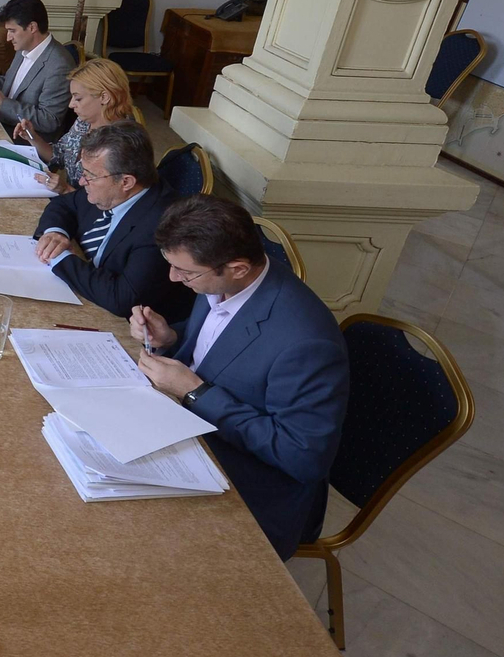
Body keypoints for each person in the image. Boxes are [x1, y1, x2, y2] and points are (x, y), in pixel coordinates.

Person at [131, 194, 348, 559]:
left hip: (253, 483)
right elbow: (225, 348)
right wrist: (172, 337)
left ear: (237, 267)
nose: (173, 278)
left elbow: (302, 456)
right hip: (189, 431)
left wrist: (196, 394)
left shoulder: (307, 344)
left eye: (185, 272)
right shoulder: (224, 280)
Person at [32, 121, 193, 322]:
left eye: (89, 176)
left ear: (126, 182)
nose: (81, 182)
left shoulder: (162, 228)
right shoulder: (110, 189)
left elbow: (121, 299)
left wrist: (59, 257)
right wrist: (56, 233)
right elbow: (64, 204)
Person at [14, 57, 136, 193]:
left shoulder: (123, 142)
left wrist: (66, 189)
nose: (71, 104)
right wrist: (32, 137)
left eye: (78, 98)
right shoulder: (84, 121)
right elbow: (59, 155)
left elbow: (109, 204)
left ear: (104, 97)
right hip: (70, 201)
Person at [0, 0, 75, 139]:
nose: (8, 38)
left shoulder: (59, 65)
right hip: (1, 124)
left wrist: (4, 103)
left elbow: (49, 120)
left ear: (32, 27)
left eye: (12, 31)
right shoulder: (24, 48)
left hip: (25, 140)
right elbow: (9, 84)